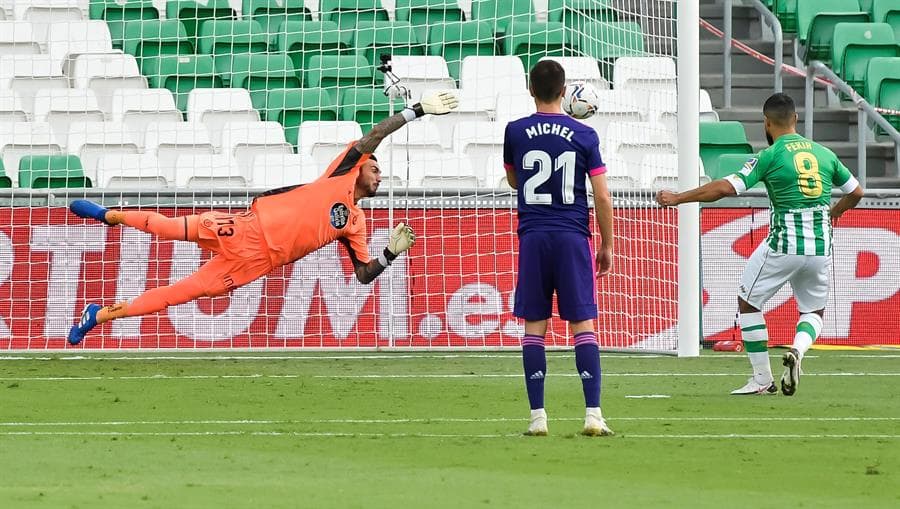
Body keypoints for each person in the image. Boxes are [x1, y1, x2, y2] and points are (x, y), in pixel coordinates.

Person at [67, 91, 459, 344]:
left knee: (177, 295)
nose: (380, 175)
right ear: (360, 167)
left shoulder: (354, 222)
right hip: (246, 229)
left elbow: (361, 274)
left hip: (257, 263)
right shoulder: (340, 172)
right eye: (376, 169)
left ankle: (97, 315)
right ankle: (110, 215)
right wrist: (417, 110)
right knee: (168, 227)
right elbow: (373, 136)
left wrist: (389, 254)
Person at [656, 92, 863, 395]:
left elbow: (727, 187)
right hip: (820, 247)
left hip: (783, 244)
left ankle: (762, 379)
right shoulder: (824, 154)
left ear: (767, 123)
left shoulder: (770, 155)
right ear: (795, 119)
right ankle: (798, 351)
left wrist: (678, 197)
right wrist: (835, 213)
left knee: (748, 302)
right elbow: (856, 192)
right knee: (814, 312)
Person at [504, 60, 614, 436]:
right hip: (572, 236)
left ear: (530, 89)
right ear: (565, 92)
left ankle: (538, 418)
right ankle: (593, 415)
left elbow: (514, 178)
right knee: (582, 324)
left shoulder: (515, 131)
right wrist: (607, 244)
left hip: (533, 236)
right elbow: (601, 194)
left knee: (535, 326)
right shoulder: (585, 135)